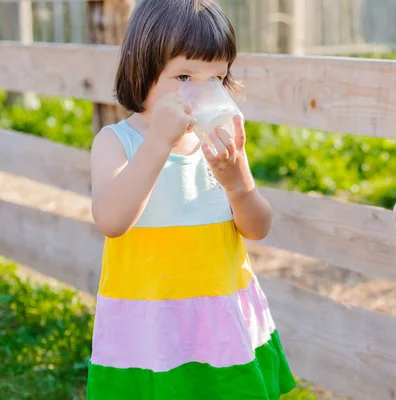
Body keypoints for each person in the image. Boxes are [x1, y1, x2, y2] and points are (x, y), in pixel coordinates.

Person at [86, 0, 296, 398]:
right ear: (142, 68)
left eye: (215, 78)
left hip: (218, 323)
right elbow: (112, 222)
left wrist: (237, 184)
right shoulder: (117, 143)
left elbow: (258, 227)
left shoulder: (220, 144)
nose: (201, 90)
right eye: (184, 75)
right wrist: (159, 142)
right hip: (151, 331)